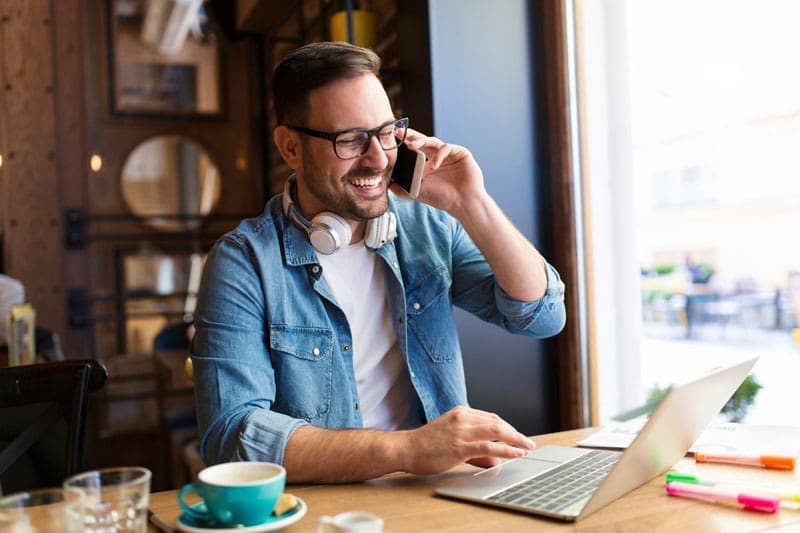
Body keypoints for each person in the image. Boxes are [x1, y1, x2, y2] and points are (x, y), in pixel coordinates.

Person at [192, 41, 566, 483]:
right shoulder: (244, 262)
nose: (377, 158)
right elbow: (232, 437)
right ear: (291, 148)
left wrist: (471, 201)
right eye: (350, 140)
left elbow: (542, 315)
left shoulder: (424, 225)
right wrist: (409, 449)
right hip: (327, 514)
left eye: (386, 132)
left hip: (435, 495)